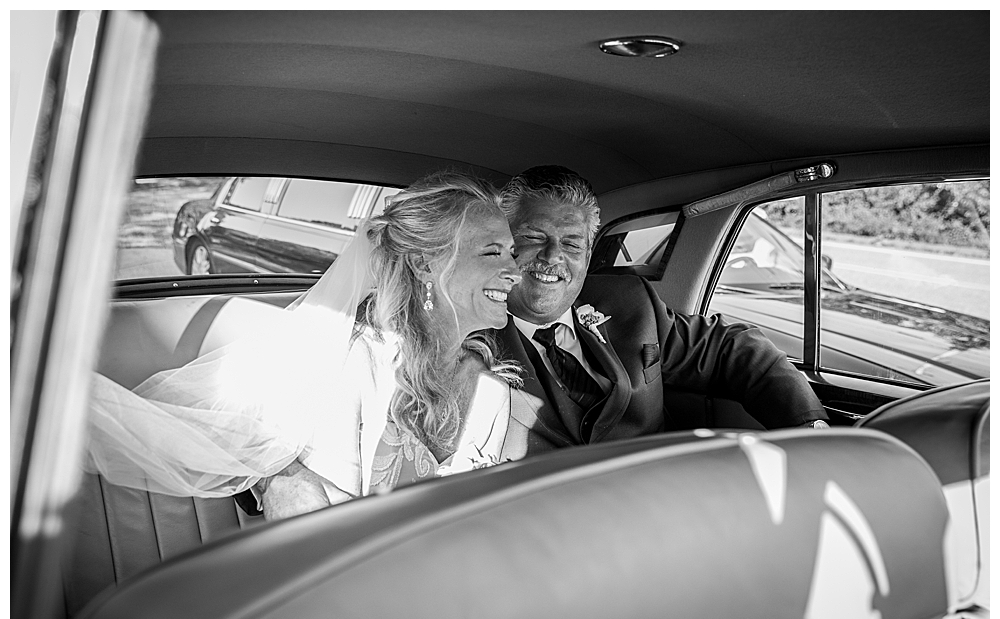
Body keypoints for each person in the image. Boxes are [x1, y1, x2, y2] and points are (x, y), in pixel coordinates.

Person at [86, 172, 523, 520]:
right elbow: (319, 529)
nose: (515, 271)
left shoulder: (494, 385)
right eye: (492, 253)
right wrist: (282, 476)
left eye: (511, 252)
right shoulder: (351, 367)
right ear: (425, 263)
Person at [492, 165, 829, 460]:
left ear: (589, 253)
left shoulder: (628, 300)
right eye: (534, 237)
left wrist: (811, 432)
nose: (553, 257)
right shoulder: (468, 335)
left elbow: (735, 349)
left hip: (665, 501)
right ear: (501, 244)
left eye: (571, 244)